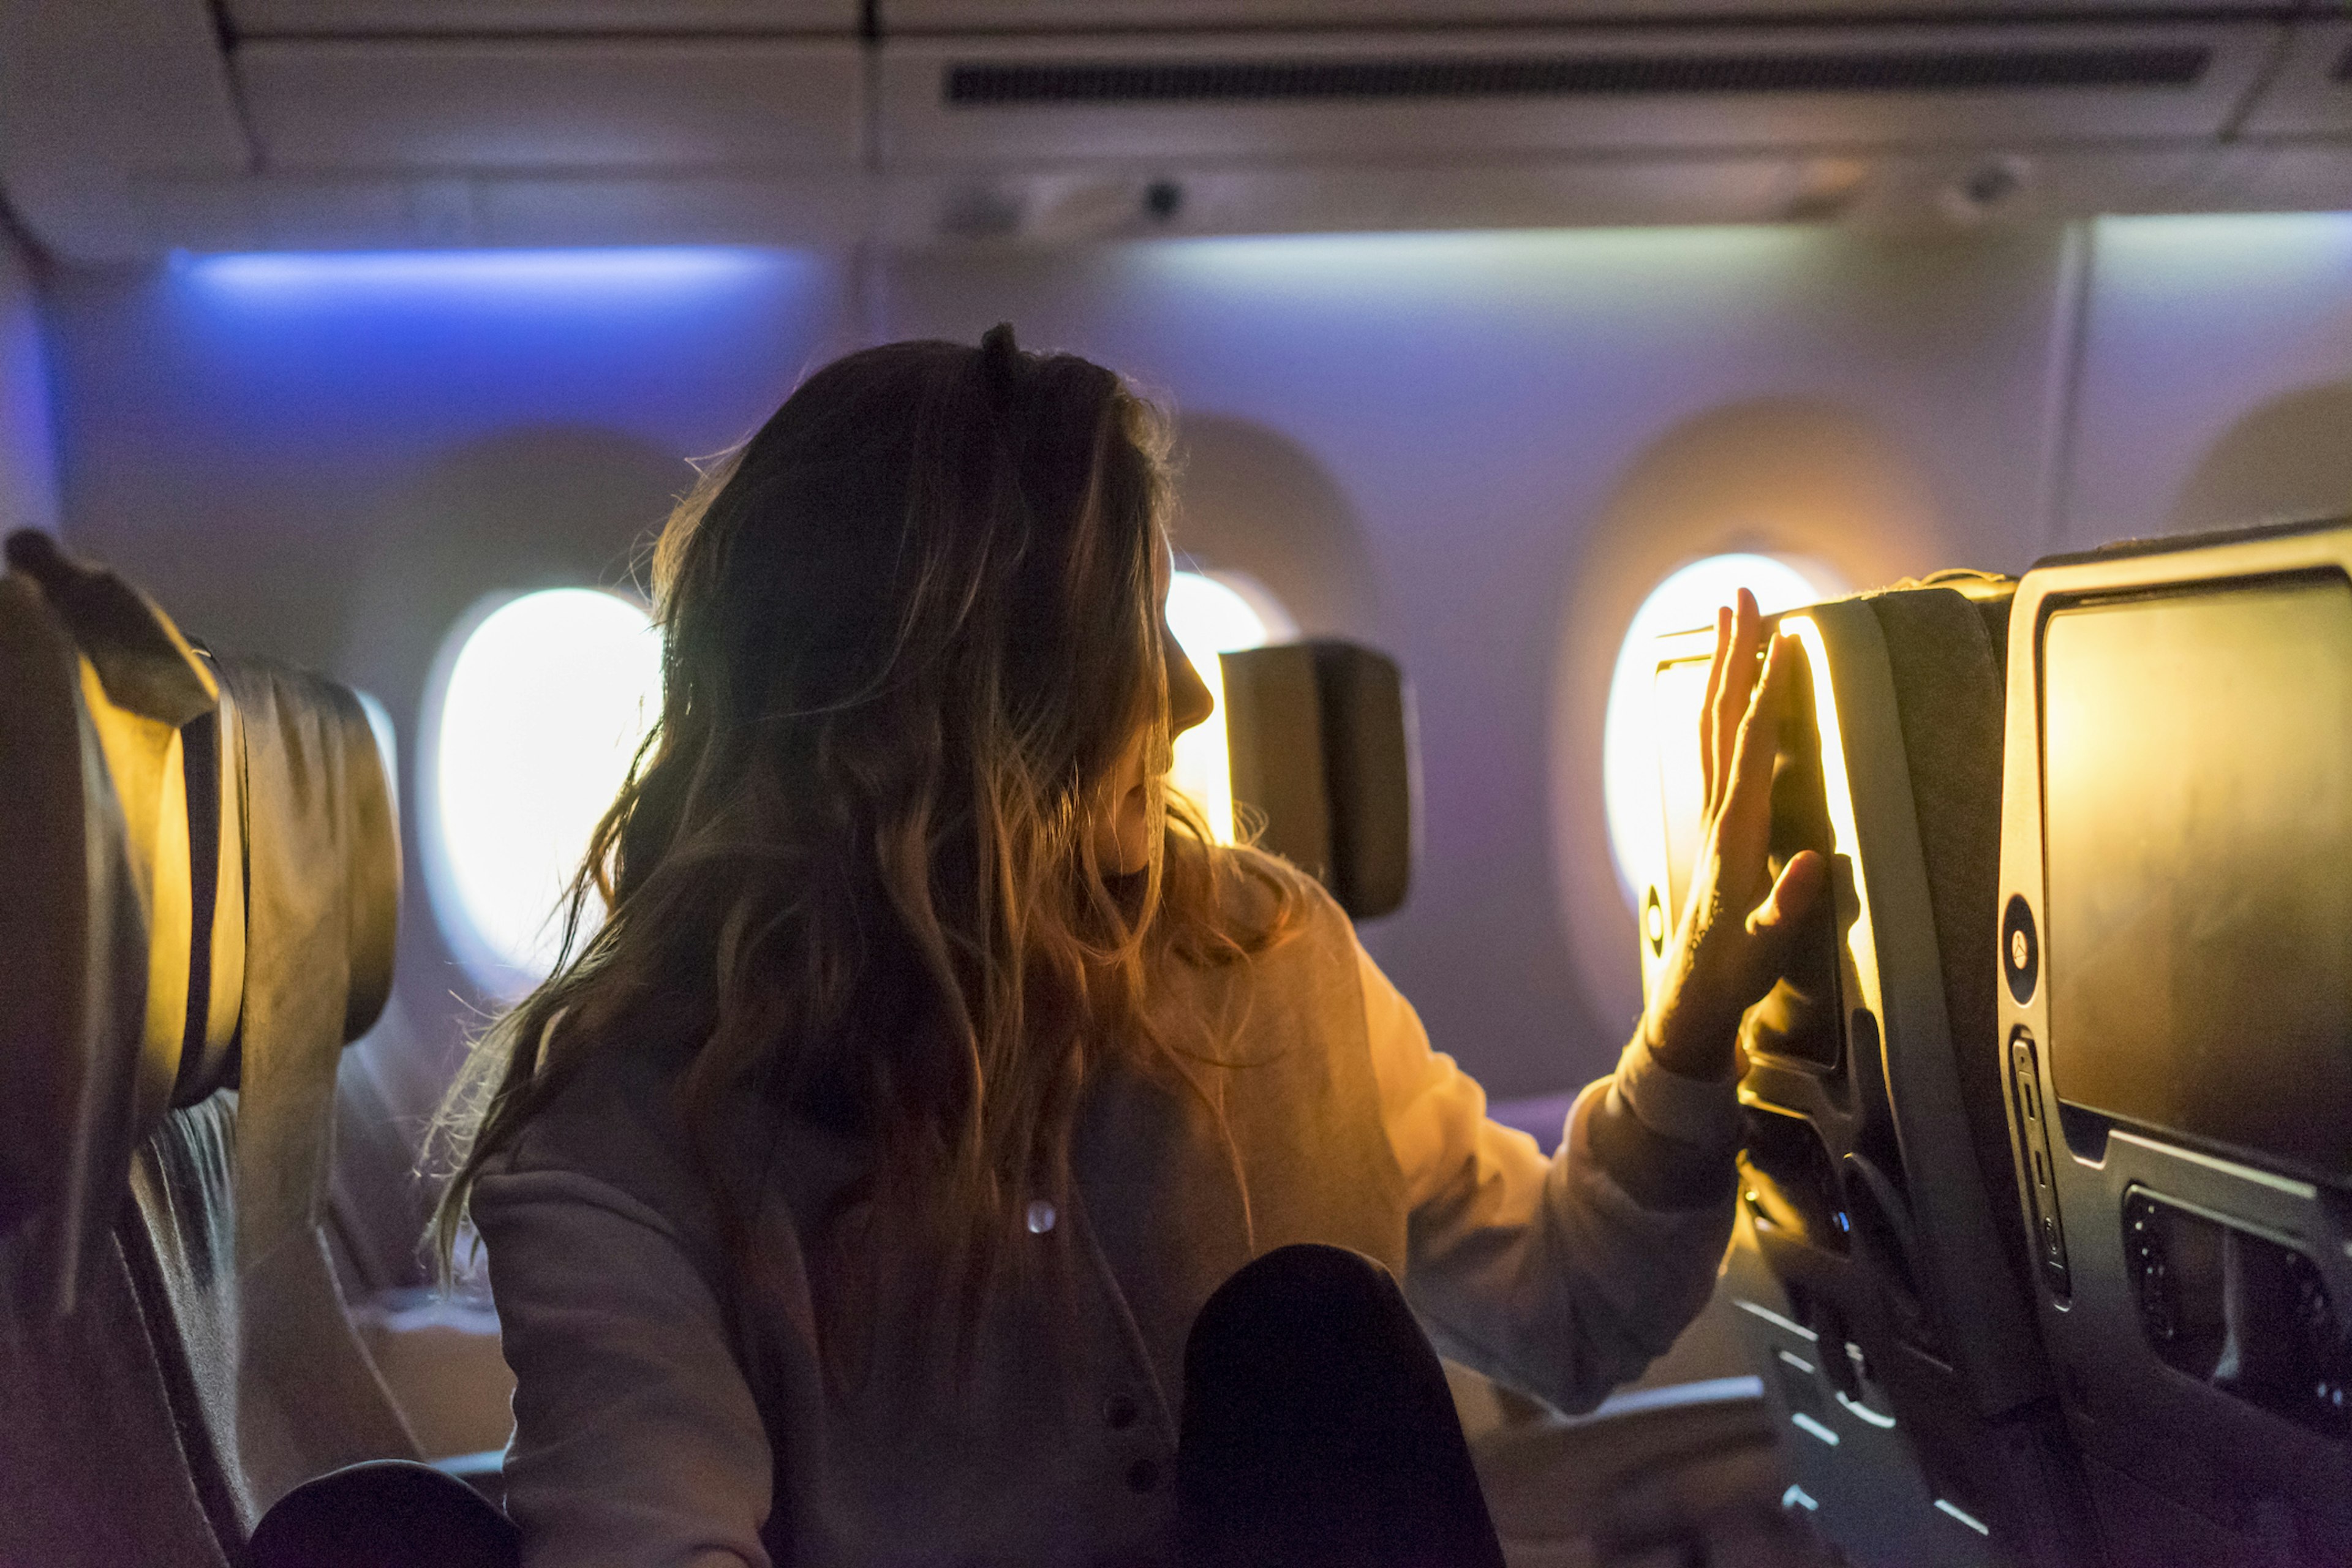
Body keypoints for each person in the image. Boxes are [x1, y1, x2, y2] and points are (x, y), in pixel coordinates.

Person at [426, 326, 1824, 1568]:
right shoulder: (621, 1130)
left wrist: (1697, 1014)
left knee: (1309, 1339)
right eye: (1129, 629)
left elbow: (1571, 1304)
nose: (1193, 691)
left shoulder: (1261, 959)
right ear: (968, 695)